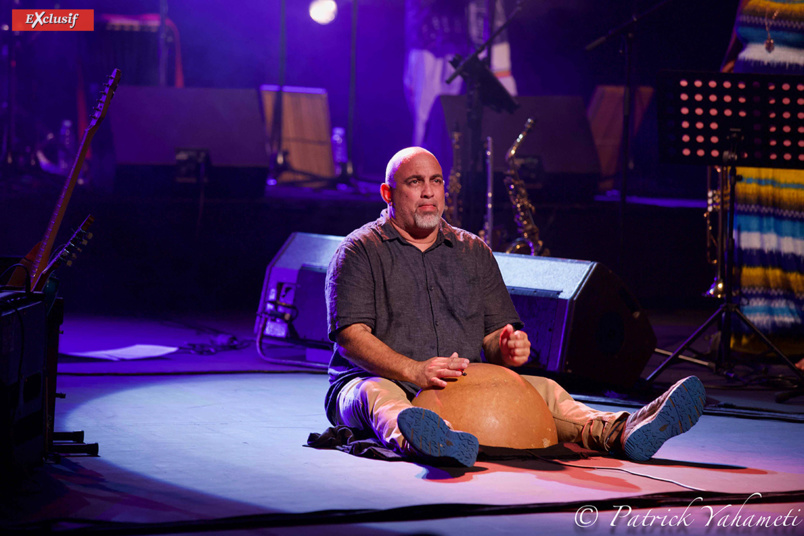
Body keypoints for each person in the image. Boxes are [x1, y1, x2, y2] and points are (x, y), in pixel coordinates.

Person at [324, 147, 706, 467]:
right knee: (376, 394)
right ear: (387, 194)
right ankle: (421, 440)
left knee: (545, 389)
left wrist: (507, 347)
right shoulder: (359, 251)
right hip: (377, 380)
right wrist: (414, 370)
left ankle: (622, 431)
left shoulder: (472, 250)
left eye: (436, 181)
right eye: (414, 182)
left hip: (461, 383)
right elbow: (351, 338)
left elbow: (495, 334)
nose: (428, 192)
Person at [721, 0, 804, 353]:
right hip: (749, 117)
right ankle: (756, 333)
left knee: (794, 226)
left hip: (794, 118)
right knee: (753, 227)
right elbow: (733, 51)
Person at [404, 0, 517, 147]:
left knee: (501, 108)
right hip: (434, 37)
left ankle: (501, 163)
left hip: (485, 27)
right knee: (433, 117)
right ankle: (427, 166)